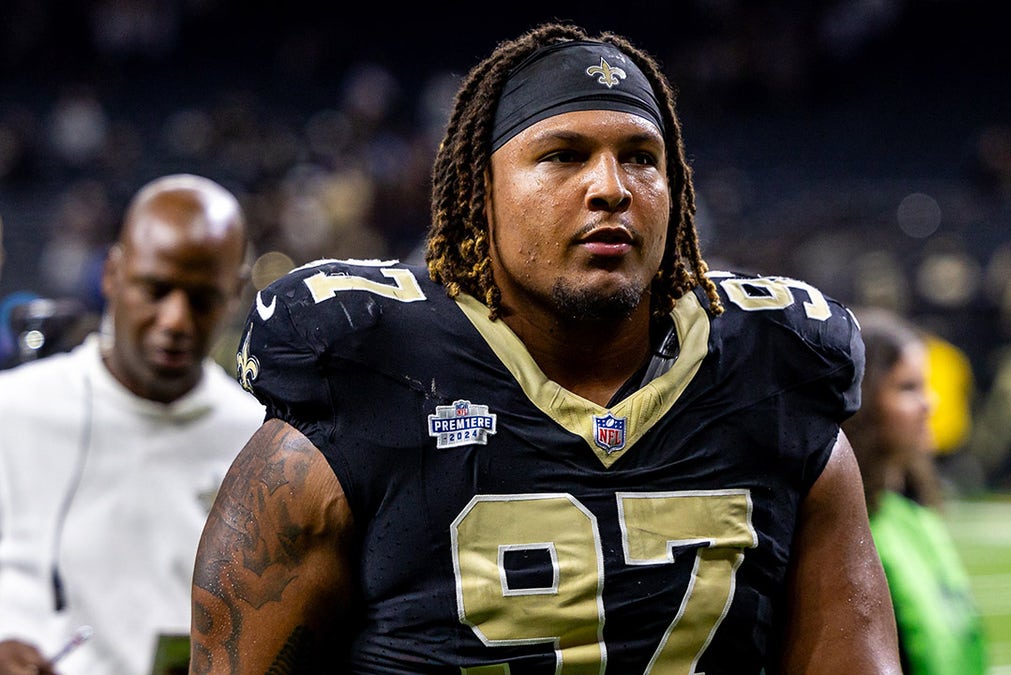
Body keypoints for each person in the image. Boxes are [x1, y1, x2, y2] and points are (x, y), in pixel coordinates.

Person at [191, 22, 900, 674]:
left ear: (676, 190)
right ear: (481, 192)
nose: (610, 188)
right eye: (563, 156)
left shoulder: (772, 377)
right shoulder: (364, 374)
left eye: (640, 158)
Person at [0, 174, 265, 675]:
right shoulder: (12, 410)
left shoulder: (260, 447)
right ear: (112, 274)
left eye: (203, 298)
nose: (175, 321)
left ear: (233, 295)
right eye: (156, 289)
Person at [841, 307, 988, 675]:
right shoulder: (841, 526)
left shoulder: (913, 510)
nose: (930, 404)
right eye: (908, 388)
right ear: (862, 400)